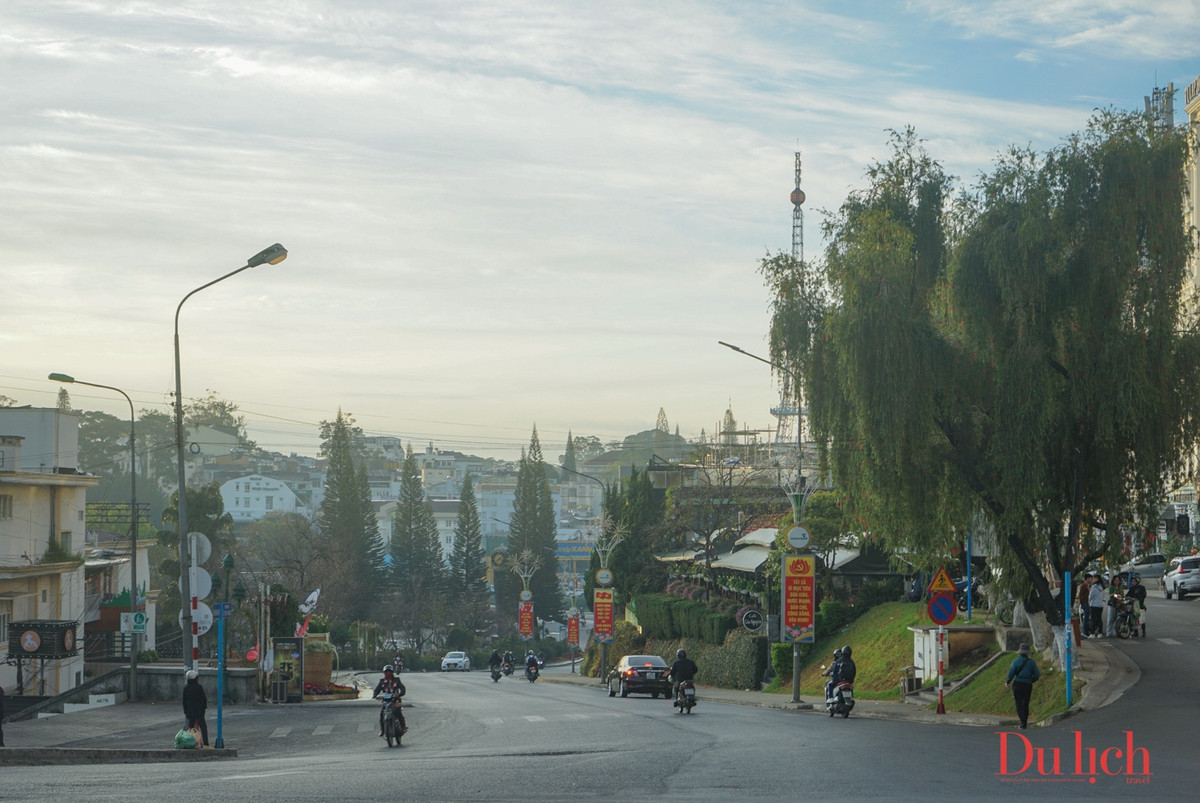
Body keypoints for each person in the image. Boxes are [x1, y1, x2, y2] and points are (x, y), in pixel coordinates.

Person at [1005, 643, 1041, 729]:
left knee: (1019, 703)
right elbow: (1037, 675)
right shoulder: (1032, 663)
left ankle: (1022, 722)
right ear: (1028, 653)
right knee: (1026, 702)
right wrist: (1030, 681)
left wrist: (1008, 681)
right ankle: (1025, 721)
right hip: (1028, 685)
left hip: (1017, 684)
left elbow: (1012, 672)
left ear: (1020, 652)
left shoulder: (1016, 661)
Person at [372, 664, 407, 737]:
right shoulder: (382, 681)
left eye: (390, 672)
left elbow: (402, 689)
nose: (388, 673)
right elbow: (376, 690)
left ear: (392, 672)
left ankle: (403, 727)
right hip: (386, 702)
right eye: (386, 672)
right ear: (384, 673)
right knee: (382, 714)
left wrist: (399, 694)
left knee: (397, 712)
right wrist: (375, 695)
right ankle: (382, 730)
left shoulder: (396, 680)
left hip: (395, 701)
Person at [182, 669, 209, 747]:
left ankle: (190, 743)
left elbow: (184, 701)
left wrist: (186, 712)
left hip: (190, 711)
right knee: (203, 727)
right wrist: (203, 709)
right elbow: (203, 699)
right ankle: (206, 743)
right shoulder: (199, 687)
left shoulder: (186, 688)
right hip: (199, 711)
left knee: (191, 728)